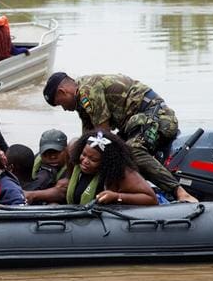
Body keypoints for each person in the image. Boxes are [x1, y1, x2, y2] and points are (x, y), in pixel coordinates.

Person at [43, 71, 198, 203]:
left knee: (131, 150)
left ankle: (179, 191)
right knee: (94, 150)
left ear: (63, 92)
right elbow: (88, 139)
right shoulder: (82, 99)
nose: (64, 109)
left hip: (157, 118)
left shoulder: (88, 91)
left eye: (60, 104)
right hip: (134, 124)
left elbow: (103, 135)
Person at [60, 130, 159, 206]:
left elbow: (152, 199)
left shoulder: (121, 173)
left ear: (105, 162)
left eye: (93, 159)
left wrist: (117, 197)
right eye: (84, 154)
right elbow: (72, 143)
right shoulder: (76, 159)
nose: (85, 161)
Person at [24, 129, 70, 204]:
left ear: (66, 150)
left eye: (56, 152)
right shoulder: (34, 160)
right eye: (46, 153)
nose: (52, 157)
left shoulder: (74, 167)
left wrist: (31, 195)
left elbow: (62, 193)